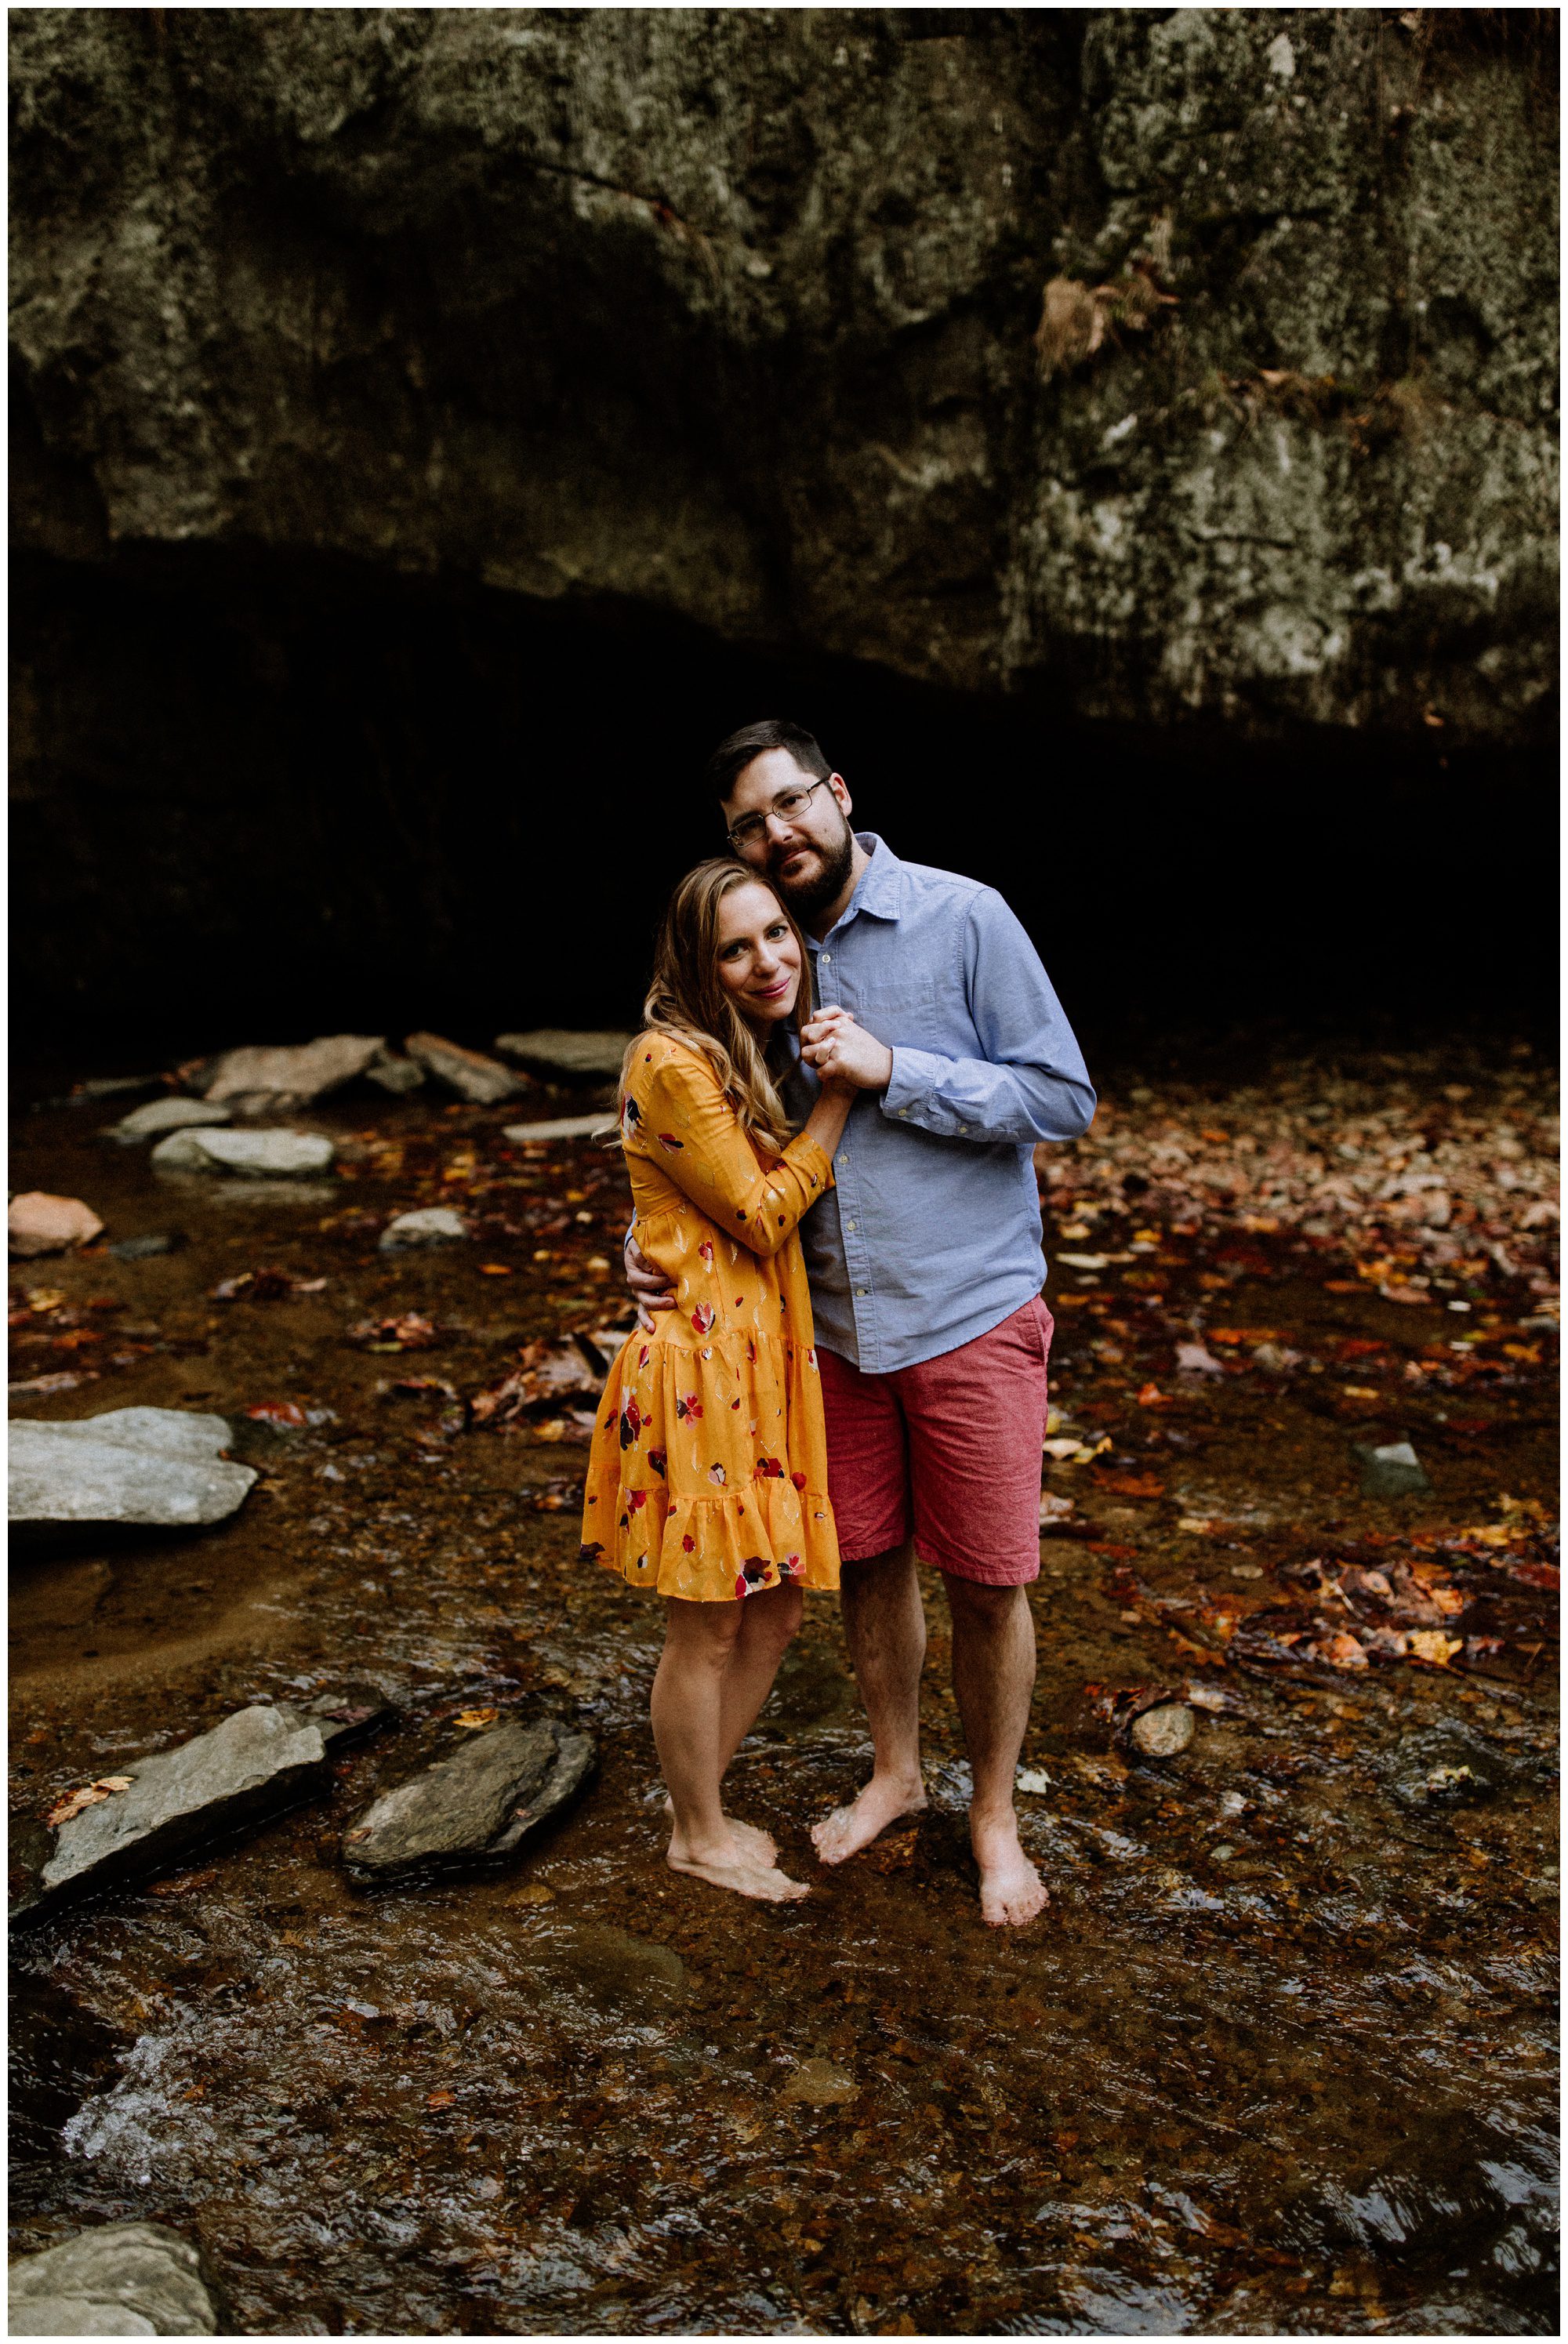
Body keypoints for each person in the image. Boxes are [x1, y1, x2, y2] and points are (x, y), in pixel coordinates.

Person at [627, 719, 1096, 1927]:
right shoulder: (756, 958)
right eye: (749, 821)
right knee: (871, 1567)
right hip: (823, 1338)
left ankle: (994, 1817)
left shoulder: (965, 916)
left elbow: (1062, 1095)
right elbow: (699, 1138)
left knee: (989, 1582)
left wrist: (899, 1068)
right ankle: (897, 1771)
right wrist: (647, 1244)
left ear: (839, 794)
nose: (776, 832)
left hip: (967, 1311)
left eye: (792, 802)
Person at [581, 858, 856, 1903]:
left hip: (762, 1370)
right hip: (700, 1374)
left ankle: (696, 1797)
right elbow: (760, 1209)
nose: (766, 959)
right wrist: (838, 1104)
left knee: (776, 1611)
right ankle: (695, 1830)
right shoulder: (671, 1058)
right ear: (697, 963)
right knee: (708, 1621)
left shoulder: (745, 1051)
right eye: (735, 947)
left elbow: (686, 1196)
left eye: (777, 934)